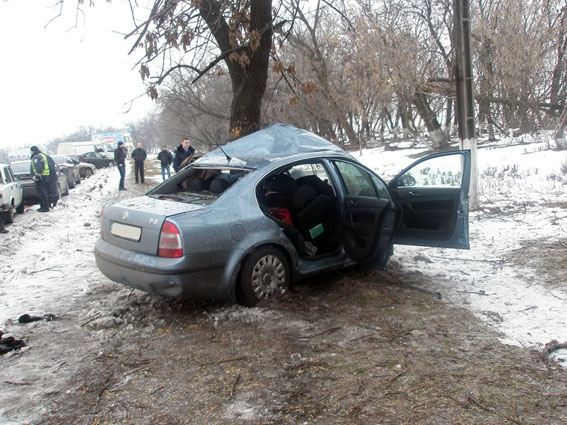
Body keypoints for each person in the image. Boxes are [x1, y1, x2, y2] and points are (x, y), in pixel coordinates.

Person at [29, 146, 51, 212]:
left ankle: (45, 207)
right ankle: (44, 206)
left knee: (42, 193)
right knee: (44, 192)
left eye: (31, 151)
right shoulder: (42, 155)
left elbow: (39, 167)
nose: (30, 152)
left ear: (33, 151)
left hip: (41, 177)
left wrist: (37, 177)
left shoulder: (37, 157)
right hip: (45, 176)